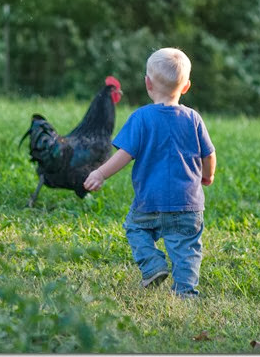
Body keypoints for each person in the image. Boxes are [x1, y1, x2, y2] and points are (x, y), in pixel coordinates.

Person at [84, 47, 216, 298]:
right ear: (186, 87)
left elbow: (124, 154)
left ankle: (153, 264)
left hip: (149, 202)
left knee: (136, 229)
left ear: (147, 83)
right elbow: (209, 154)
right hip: (187, 204)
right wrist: (207, 175)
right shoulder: (194, 119)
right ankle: (185, 292)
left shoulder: (141, 118)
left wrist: (100, 173)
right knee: (186, 248)